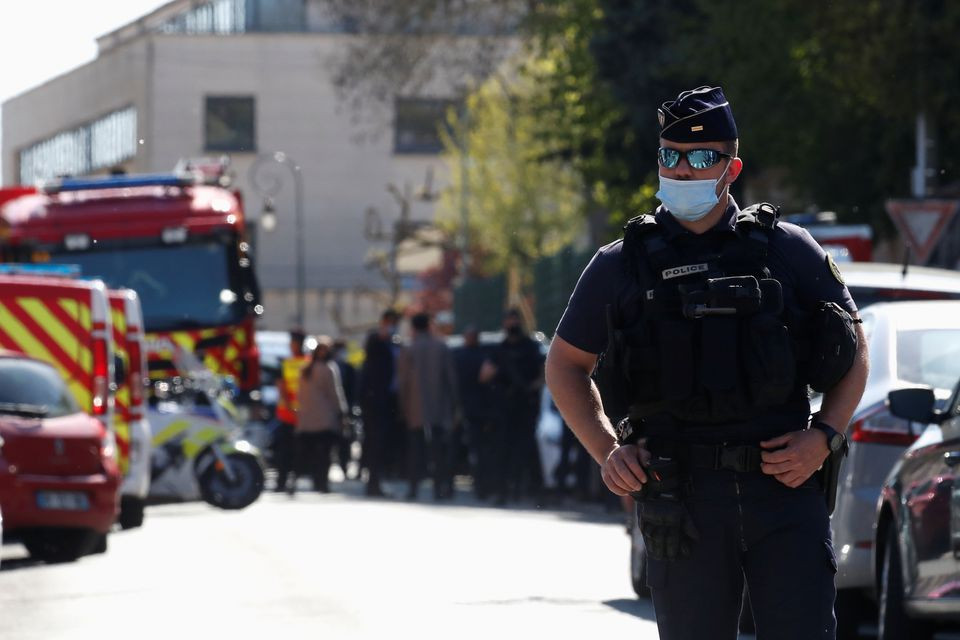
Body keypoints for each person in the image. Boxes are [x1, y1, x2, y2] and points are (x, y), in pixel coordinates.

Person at [545, 86, 868, 640]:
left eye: (700, 158)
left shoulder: (789, 249)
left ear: (731, 167)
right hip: (680, 496)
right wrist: (608, 452)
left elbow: (855, 350)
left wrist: (825, 436)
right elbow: (565, 364)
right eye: (670, 157)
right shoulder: (621, 265)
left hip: (783, 492)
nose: (684, 171)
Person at [396, 312, 460, 500]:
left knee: (415, 449)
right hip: (439, 405)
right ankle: (439, 488)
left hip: (414, 406)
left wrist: (402, 407)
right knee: (439, 449)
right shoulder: (441, 347)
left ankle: (413, 488)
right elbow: (451, 379)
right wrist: (455, 404)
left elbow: (403, 381)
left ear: (414, 328)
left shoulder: (409, 349)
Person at [489, 308, 545, 505]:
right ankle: (503, 491)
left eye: (514, 320)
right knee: (503, 450)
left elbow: (542, 374)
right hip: (505, 408)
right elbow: (486, 374)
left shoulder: (530, 346)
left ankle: (532, 491)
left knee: (528, 451)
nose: (512, 324)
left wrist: (531, 388)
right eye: (509, 320)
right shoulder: (500, 348)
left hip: (526, 407)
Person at [290, 336, 349, 494]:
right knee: (324, 455)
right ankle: (321, 483)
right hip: (325, 418)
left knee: (304, 453)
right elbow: (335, 393)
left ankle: (294, 481)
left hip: (307, 418)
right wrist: (342, 412)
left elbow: (300, 394)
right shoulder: (329, 368)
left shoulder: (305, 369)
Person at [358, 309, 401, 497]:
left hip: (385, 401)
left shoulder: (390, 344)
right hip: (375, 402)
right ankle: (372, 484)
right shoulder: (375, 342)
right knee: (375, 442)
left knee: (380, 444)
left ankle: (375, 482)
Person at [452, 326, 497, 500]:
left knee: (474, 450)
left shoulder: (459, 356)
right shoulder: (485, 356)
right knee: (480, 450)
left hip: (469, 409)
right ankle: (481, 486)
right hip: (478, 410)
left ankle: (475, 485)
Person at [272, 328, 307, 493]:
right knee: (284, 452)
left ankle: (293, 481)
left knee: (297, 452)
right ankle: (282, 482)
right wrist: (292, 408)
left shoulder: (308, 362)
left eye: (293, 342)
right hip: (287, 415)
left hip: (303, 415)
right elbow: (281, 388)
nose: (291, 345)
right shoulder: (285, 363)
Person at [331, 338, 358, 479]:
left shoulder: (349, 368)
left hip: (345, 409)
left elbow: (353, 390)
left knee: (345, 440)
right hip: (329, 410)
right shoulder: (329, 366)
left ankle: (344, 466)